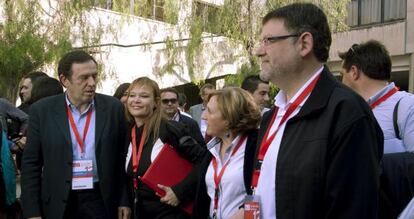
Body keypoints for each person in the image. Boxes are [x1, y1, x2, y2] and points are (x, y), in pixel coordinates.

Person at [252, 3, 383, 218]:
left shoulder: (347, 113)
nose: (259, 51)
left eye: (268, 40)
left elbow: (353, 209)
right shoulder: (274, 114)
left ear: (304, 43)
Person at [21, 50, 130, 219]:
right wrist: (32, 211)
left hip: (101, 198)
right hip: (58, 200)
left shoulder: (112, 108)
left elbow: (122, 159)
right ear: (65, 80)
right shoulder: (42, 111)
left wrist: (124, 200)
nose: (92, 83)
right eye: (84, 78)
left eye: (94, 76)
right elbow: (31, 164)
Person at [123, 77, 207, 219]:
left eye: (144, 96)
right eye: (132, 95)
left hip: (171, 213)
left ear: (156, 102)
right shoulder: (128, 133)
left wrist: (179, 191)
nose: (136, 100)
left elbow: (205, 160)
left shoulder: (169, 129)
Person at [192, 87, 261, 219]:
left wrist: (243, 213)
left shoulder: (256, 146)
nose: (203, 116)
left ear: (229, 118)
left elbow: (263, 192)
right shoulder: (212, 148)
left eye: (210, 111)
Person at [339, 40, 414, 153]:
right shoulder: (350, 112)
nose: (341, 83)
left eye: (342, 75)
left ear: (354, 72)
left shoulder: (408, 105)